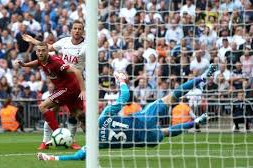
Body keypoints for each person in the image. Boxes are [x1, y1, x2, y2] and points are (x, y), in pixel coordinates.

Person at [37, 64, 218, 161]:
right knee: (173, 96)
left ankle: (195, 122)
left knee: (166, 132)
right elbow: (124, 96)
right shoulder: (105, 114)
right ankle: (202, 78)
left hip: (143, 141)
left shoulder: (94, 144)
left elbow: (77, 157)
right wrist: (121, 80)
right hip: (142, 119)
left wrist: (52, 158)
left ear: (83, 127)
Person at [22, 20, 85, 150]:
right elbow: (46, 49)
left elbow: (77, 70)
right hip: (62, 81)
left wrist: (84, 89)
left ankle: (66, 139)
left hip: (75, 82)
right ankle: (48, 141)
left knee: (76, 115)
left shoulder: (87, 46)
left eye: (80, 29)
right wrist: (33, 41)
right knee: (55, 110)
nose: (77, 31)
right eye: (75, 28)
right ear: (71, 30)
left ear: (83, 31)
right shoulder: (64, 42)